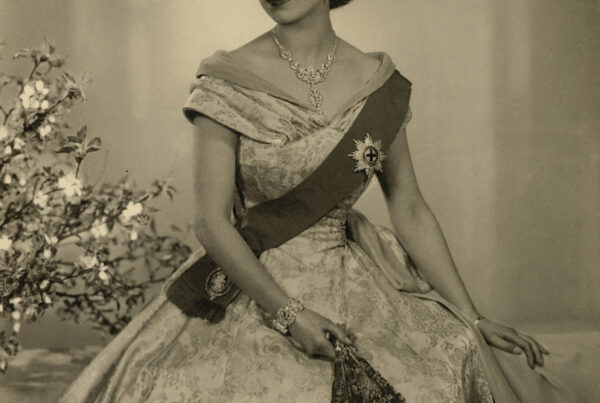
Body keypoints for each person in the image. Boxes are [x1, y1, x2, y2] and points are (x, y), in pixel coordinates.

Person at [60, 1, 589, 402]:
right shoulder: (226, 80)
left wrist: (472, 317)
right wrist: (290, 315)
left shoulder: (379, 83)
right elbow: (211, 223)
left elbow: (407, 206)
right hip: (256, 285)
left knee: (440, 367)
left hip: (358, 281)